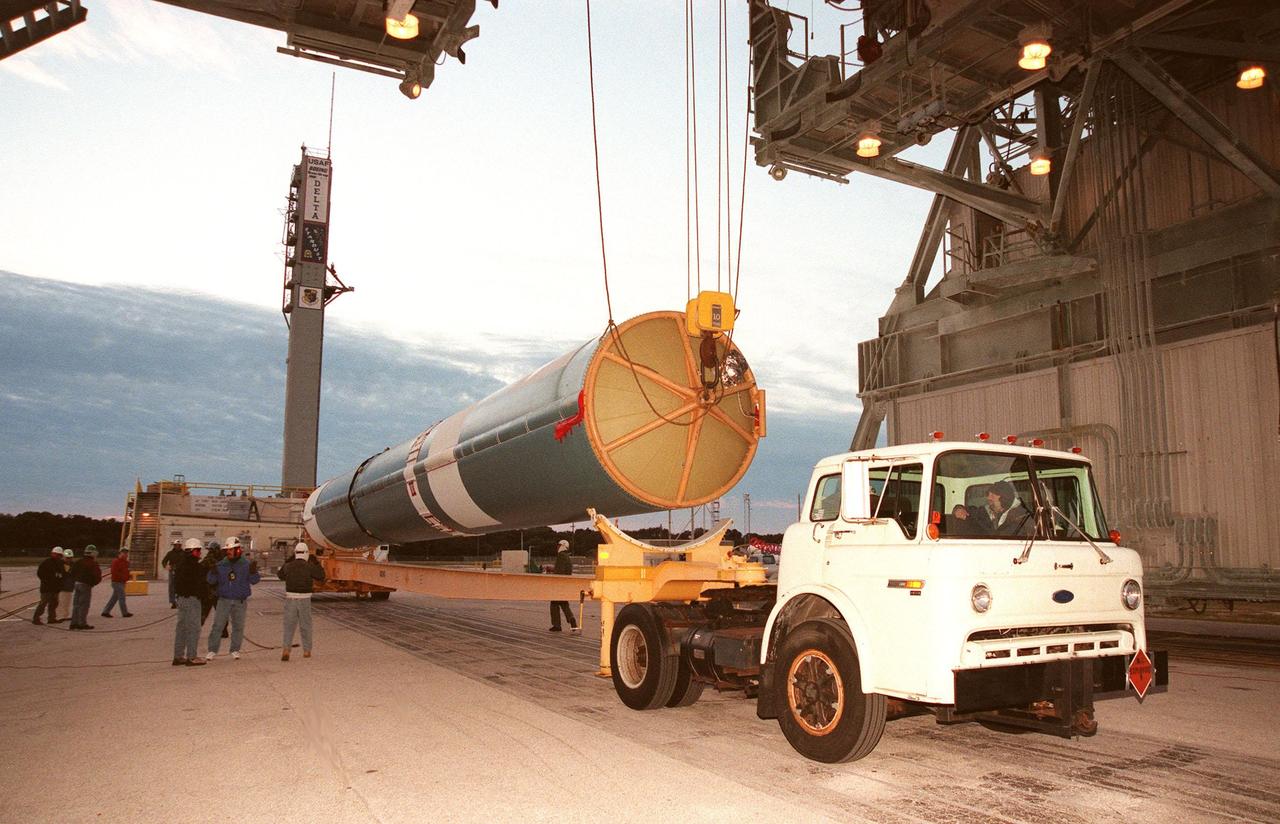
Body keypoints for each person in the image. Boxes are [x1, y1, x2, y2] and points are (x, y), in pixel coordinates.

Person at [204, 537, 260, 661]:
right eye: (227, 550)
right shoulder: (221, 565)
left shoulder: (246, 565)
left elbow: (254, 581)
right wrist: (212, 572)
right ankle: (212, 650)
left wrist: (253, 572)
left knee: (238, 626)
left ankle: (235, 650)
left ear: (238, 550)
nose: (228, 552)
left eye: (230, 550)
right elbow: (210, 581)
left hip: (240, 601)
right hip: (224, 600)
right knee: (218, 626)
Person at [277, 542, 326, 661]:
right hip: (305, 599)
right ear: (306, 553)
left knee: (289, 625)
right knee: (306, 625)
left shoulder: (289, 566)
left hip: (290, 598)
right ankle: (307, 650)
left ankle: (286, 649)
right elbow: (321, 576)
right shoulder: (309, 566)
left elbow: (280, 575)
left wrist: (288, 561)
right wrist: (316, 562)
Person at [172, 539, 208, 666]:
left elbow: (175, 583)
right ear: (193, 551)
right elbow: (200, 585)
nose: (199, 553)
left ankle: (178, 656)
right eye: (198, 550)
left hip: (181, 599)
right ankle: (192, 657)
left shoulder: (180, 563)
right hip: (192, 600)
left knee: (181, 628)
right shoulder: (195, 566)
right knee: (193, 628)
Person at [69, 546, 103, 630]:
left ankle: (74, 623)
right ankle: (82, 623)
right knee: (84, 605)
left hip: (77, 584)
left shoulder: (79, 562)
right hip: (86, 585)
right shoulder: (92, 563)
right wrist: (93, 583)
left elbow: (72, 572)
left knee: (76, 604)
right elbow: (97, 575)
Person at [548, 540, 578, 634]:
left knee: (554, 604)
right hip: (565, 583)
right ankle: (571, 618)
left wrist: (553, 574)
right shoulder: (567, 556)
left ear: (563, 546)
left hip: (559, 584)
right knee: (564, 603)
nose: (557, 547)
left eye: (559, 545)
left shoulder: (561, 556)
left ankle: (557, 625)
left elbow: (559, 571)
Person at [33, 546, 66, 625]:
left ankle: (51, 618)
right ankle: (36, 618)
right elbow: (40, 573)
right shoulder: (46, 563)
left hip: (55, 588)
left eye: (59, 555)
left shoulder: (60, 563)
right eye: (56, 554)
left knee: (54, 603)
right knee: (43, 603)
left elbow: (62, 573)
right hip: (46, 588)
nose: (58, 556)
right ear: (53, 554)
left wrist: (60, 580)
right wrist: (47, 580)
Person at [101, 548, 134, 618]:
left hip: (122, 582)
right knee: (122, 597)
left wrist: (128, 577)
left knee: (114, 598)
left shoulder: (126, 562)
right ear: (120, 553)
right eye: (124, 553)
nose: (125, 554)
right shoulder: (116, 562)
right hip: (117, 582)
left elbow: (127, 571)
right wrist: (123, 577)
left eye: (126, 553)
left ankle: (105, 611)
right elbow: (114, 572)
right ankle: (124, 613)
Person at [56, 547, 76, 622]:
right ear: (64, 557)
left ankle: (65, 615)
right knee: (60, 601)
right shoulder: (59, 564)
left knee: (67, 601)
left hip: (69, 586)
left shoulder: (73, 565)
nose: (69, 559)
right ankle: (60, 616)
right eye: (67, 558)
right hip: (61, 586)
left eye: (70, 558)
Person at [162, 540, 184, 609]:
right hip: (172, 571)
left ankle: (180, 601)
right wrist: (166, 566)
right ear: (174, 546)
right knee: (171, 587)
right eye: (176, 545)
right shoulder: (170, 553)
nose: (177, 546)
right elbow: (164, 561)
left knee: (180, 586)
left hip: (181, 572)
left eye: (179, 545)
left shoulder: (184, 553)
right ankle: (173, 602)